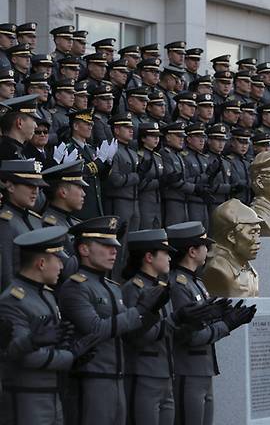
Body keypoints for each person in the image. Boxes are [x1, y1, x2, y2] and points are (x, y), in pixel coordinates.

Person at [58, 216, 169, 425]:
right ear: (84, 249)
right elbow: (95, 329)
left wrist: (150, 313)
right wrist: (139, 311)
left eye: (115, 246)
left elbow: (129, 334)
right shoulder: (76, 287)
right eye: (105, 245)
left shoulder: (112, 286)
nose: (114, 251)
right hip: (91, 380)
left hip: (117, 379)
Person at [0, 226, 100, 425]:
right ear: (42, 263)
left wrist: (71, 353)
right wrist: (70, 357)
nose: (62, 267)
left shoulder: (46, 294)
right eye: (58, 261)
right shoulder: (13, 301)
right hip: (27, 399)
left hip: (53, 397)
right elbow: (26, 356)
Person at [121, 228, 214, 425]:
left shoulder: (161, 288)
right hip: (144, 373)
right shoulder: (133, 288)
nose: (170, 258)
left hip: (165, 374)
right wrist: (179, 321)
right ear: (149, 257)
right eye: (164, 253)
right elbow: (140, 333)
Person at [167, 221, 256, 425]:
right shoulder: (179, 285)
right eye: (204, 245)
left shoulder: (196, 282)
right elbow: (191, 335)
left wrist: (222, 319)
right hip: (187, 370)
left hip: (203, 370)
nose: (208, 250)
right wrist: (226, 325)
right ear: (192, 251)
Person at [0, 159, 46, 289]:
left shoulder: (35, 219)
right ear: (10, 186)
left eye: (37, 186)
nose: (35, 191)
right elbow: (6, 272)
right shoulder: (4, 223)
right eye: (30, 185)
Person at [136, 122, 165, 229]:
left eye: (157, 136)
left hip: (158, 203)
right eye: (153, 136)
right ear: (143, 138)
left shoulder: (158, 157)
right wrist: (159, 182)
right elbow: (140, 184)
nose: (156, 139)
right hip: (144, 202)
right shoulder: (139, 156)